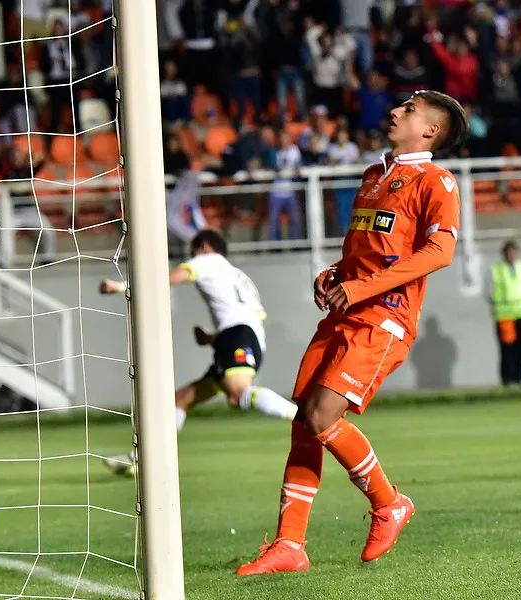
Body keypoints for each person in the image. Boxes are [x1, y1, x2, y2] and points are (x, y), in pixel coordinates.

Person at [236, 90, 468, 575]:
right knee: (305, 422)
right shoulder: (374, 176)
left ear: (429, 131)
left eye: (409, 110)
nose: (396, 111)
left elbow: (438, 254)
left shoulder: (437, 181)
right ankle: (289, 545)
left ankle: (390, 504)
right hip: (346, 312)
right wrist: (337, 273)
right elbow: (366, 251)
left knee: (322, 415)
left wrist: (361, 288)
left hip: (383, 319)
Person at [99, 230, 297, 476]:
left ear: (203, 246)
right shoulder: (237, 275)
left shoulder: (207, 260)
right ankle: (142, 461)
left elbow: (170, 278)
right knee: (180, 399)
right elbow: (247, 315)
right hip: (242, 336)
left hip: (237, 335)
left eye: (191, 252)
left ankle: (303, 419)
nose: (190, 257)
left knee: (237, 394)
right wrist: (214, 338)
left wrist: (121, 286)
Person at [489, 240, 521, 387]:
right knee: (507, 349)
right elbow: (488, 290)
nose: (511, 255)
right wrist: (496, 304)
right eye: (509, 252)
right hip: (505, 314)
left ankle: (518, 376)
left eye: (514, 252)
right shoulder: (497, 269)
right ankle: (507, 379)